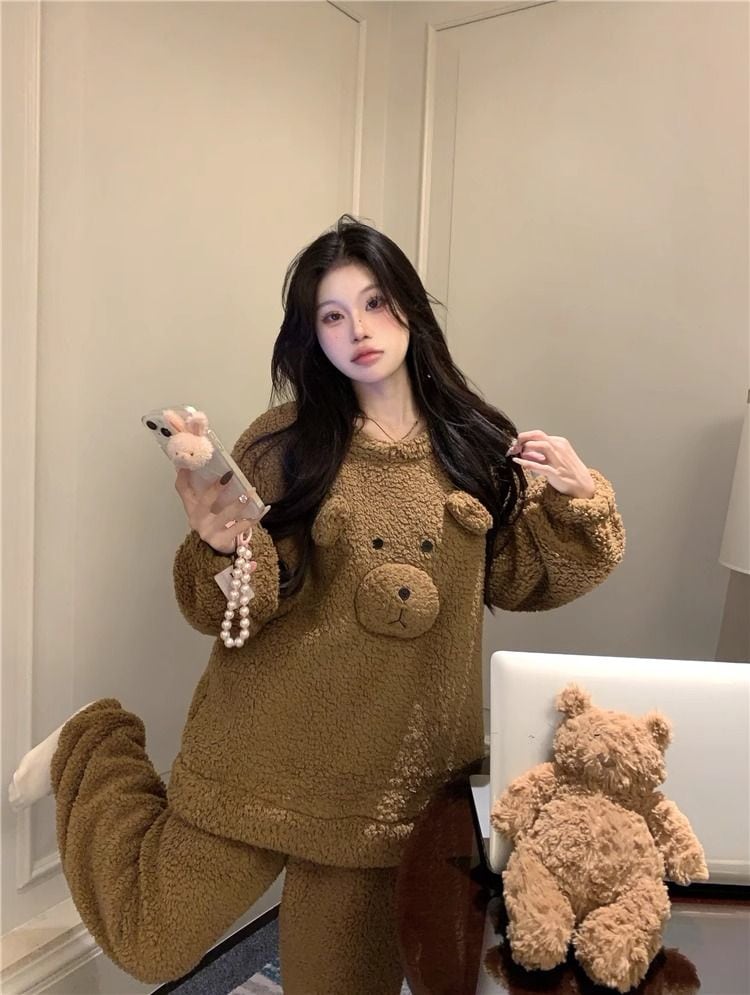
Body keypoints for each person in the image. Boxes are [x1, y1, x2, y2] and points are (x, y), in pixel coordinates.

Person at [8, 215, 625, 994]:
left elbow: (520, 578)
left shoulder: (474, 444)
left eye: (374, 303)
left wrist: (576, 502)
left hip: (389, 790)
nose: (358, 329)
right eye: (332, 316)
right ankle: (92, 741)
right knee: (149, 937)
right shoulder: (283, 445)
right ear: (312, 335)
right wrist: (223, 546)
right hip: (260, 754)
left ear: (409, 308)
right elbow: (235, 606)